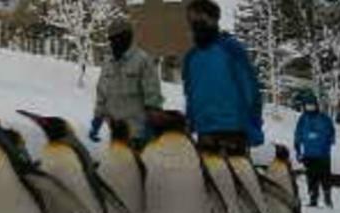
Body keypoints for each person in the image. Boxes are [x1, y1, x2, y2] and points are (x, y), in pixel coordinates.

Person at [182, 0, 264, 155]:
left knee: (235, 178)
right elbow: (190, 94)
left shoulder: (231, 48)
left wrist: (254, 125)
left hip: (233, 129)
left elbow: (250, 90)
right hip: (204, 131)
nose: (194, 23)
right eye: (191, 19)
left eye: (199, 18)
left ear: (213, 19)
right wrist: (190, 121)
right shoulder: (191, 57)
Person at [90, 18, 165, 149]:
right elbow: (102, 94)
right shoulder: (108, 63)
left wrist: (152, 124)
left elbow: (152, 95)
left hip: (138, 135)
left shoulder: (143, 61)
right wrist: (97, 119)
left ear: (127, 37)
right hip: (116, 133)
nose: (114, 42)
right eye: (111, 39)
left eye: (118, 38)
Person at [294, 94, 336, 208]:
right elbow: (298, 135)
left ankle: (327, 198)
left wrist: (327, 142)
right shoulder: (302, 119)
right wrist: (298, 150)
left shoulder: (324, 118)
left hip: (323, 154)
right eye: (308, 105)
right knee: (311, 178)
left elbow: (331, 133)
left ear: (316, 105)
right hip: (309, 154)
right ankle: (313, 199)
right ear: (304, 106)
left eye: (312, 105)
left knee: (325, 177)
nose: (310, 107)